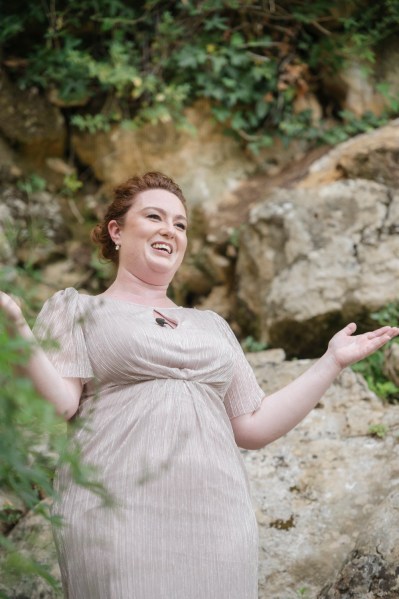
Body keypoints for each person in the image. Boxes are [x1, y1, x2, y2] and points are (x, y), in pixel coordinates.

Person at [0, 171, 398, 599]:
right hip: (116, 511)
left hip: (219, 518)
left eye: (180, 224)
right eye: (154, 216)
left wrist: (331, 361)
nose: (169, 230)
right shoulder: (80, 310)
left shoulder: (211, 325)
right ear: (116, 231)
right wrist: (14, 325)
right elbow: (60, 403)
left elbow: (252, 426)